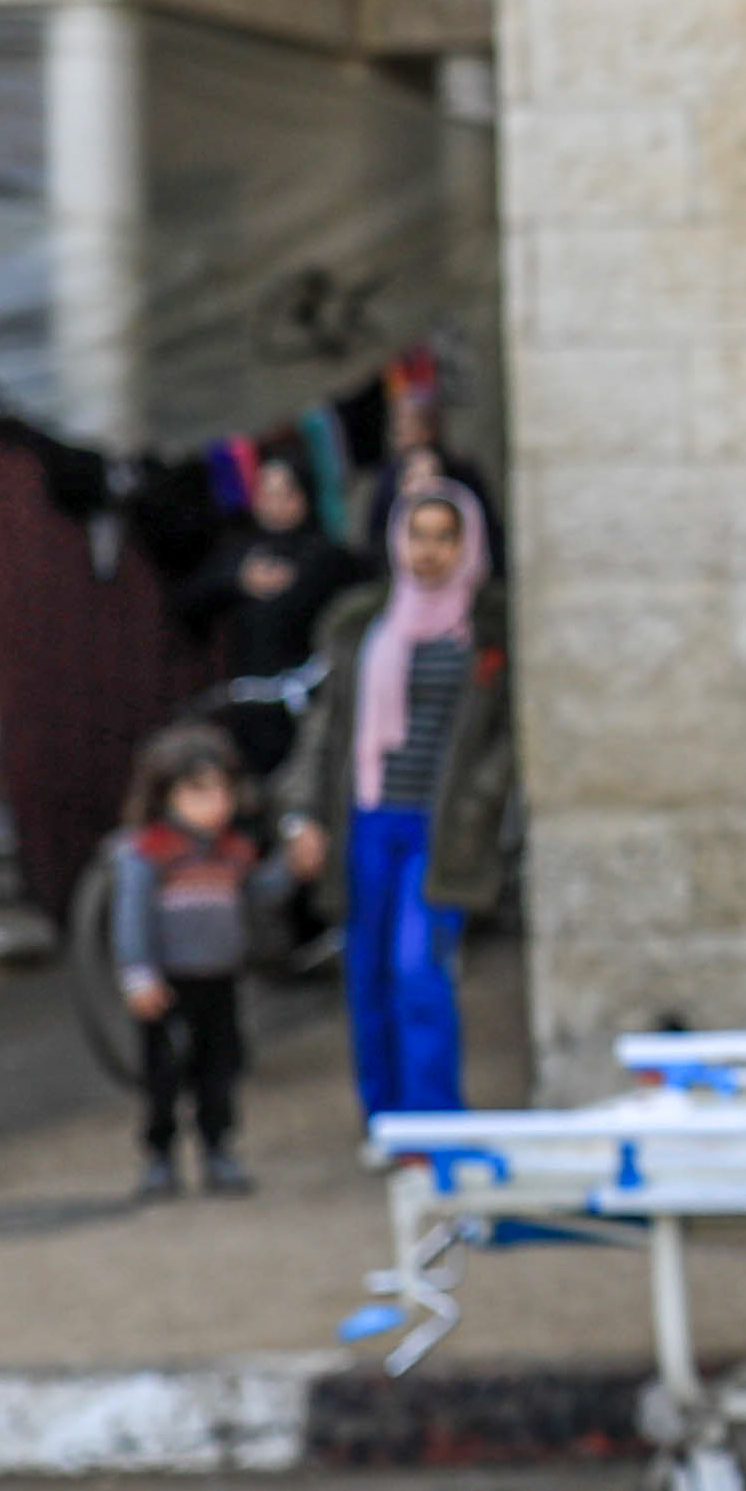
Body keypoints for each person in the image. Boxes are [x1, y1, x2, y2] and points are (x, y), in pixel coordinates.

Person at [282, 481, 509, 1125]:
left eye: (445, 537)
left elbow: (503, 741)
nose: (430, 551)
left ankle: (432, 1120)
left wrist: (481, 805)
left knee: (420, 971)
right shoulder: (366, 627)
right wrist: (303, 815)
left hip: (439, 831)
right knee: (369, 975)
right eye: (419, 535)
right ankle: (385, 1119)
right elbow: (327, 730)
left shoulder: (485, 628)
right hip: (367, 820)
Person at [107, 723, 264, 1201]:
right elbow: (130, 922)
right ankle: (159, 1156)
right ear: (164, 795)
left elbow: (259, 896)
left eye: (222, 790)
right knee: (163, 1076)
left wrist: (295, 867)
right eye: (198, 791)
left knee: (219, 1072)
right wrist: (138, 976)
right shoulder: (147, 854)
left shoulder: (232, 851)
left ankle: (218, 1149)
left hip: (220, 983)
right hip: (169, 987)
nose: (215, 802)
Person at [180, 451, 365, 795]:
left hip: (307, 706)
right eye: (267, 493)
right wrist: (237, 580)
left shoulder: (328, 557)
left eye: (286, 493)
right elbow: (190, 603)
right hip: (248, 706)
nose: (275, 503)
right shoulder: (241, 552)